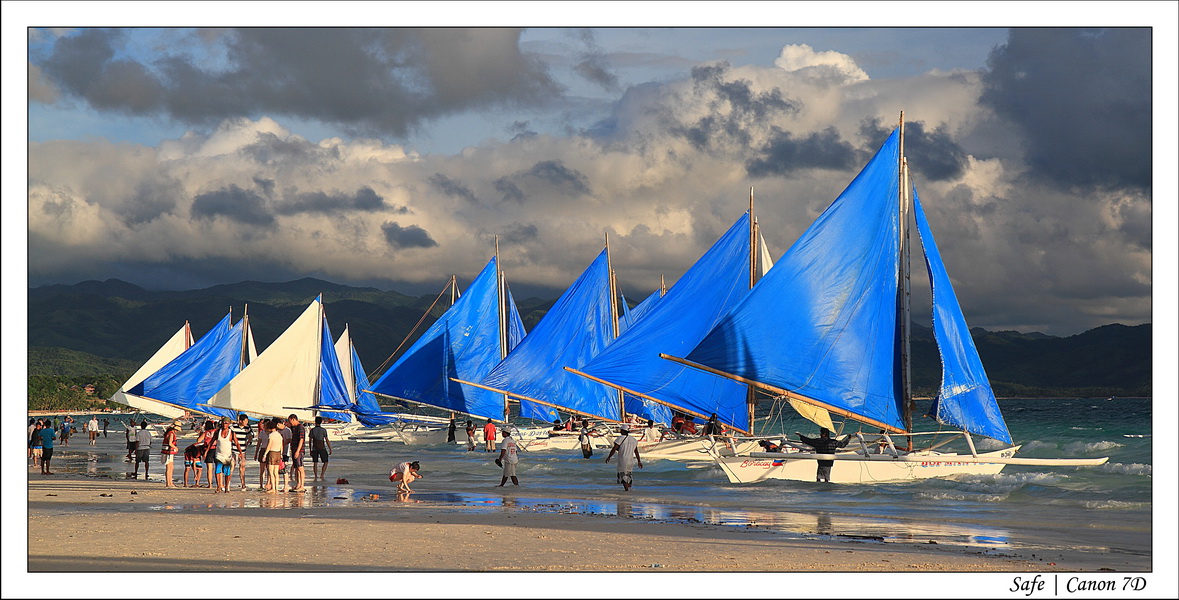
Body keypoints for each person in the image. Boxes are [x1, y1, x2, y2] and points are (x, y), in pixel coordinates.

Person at [605, 424, 642, 491]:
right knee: (628, 475)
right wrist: (639, 461)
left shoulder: (620, 438)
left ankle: (626, 490)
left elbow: (614, 449)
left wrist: (609, 457)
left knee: (623, 475)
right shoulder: (633, 440)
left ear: (623, 431)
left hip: (623, 460)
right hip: (631, 461)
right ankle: (629, 489)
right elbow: (636, 451)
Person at [212, 418, 242, 493]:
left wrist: (240, 452)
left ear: (229, 424)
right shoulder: (218, 432)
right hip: (218, 454)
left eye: (226, 423)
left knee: (227, 472)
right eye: (223, 423)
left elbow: (237, 443)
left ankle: (226, 486)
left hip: (227, 456)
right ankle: (218, 486)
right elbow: (212, 441)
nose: (224, 424)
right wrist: (206, 452)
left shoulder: (231, 433)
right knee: (217, 470)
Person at [262, 420, 286, 493]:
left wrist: (265, 454)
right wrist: (281, 454)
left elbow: (269, 446)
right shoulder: (279, 435)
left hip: (272, 453)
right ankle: (276, 488)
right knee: (276, 472)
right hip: (278, 453)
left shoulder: (271, 435)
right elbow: (281, 445)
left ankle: (273, 488)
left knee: (271, 472)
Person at [231, 414, 253, 489]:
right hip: (234, 450)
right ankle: (227, 483)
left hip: (243, 450)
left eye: (247, 421)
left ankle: (243, 484)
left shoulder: (247, 428)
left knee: (242, 467)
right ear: (241, 421)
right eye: (245, 421)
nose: (247, 422)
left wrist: (247, 443)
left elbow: (250, 436)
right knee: (232, 466)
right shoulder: (233, 427)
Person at [286, 414, 307, 492]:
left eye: (290, 421)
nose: (290, 423)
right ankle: (298, 484)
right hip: (294, 449)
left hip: (299, 450)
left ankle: (302, 485)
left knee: (300, 467)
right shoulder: (294, 428)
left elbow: (301, 439)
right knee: (296, 467)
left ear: (293, 419)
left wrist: (298, 451)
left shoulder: (300, 427)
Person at [309, 416, 332, 481]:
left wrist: (310, 449)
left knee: (315, 462)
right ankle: (322, 474)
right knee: (325, 461)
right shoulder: (323, 430)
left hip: (314, 447)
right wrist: (330, 448)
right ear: (321, 422)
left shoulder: (312, 430)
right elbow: (327, 440)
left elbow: (310, 441)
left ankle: (316, 475)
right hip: (322, 447)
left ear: (315, 422)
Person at [161, 421, 181, 487]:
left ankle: (170, 482)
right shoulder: (171, 433)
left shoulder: (168, 433)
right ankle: (168, 483)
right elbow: (170, 443)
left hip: (167, 451)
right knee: (169, 468)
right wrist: (176, 448)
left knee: (170, 467)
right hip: (168, 452)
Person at [255, 418, 272, 490]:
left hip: (270, 451)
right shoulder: (262, 433)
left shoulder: (272, 433)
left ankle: (268, 483)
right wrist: (256, 453)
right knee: (262, 470)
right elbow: (259, 443)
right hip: (262, 450)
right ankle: (261, 485)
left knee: (269, 469)